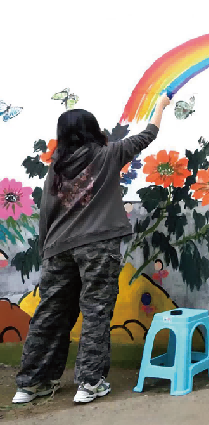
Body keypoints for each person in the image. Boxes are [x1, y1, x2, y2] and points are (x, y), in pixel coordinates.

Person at [13, 93, 172, 405]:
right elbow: (148, 135)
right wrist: (160, 106)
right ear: (92, 129)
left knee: (50, 314)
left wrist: (46, 249)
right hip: (98, 247)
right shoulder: (109, 153)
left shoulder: (57, 168)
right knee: (95, 312)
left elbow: (46, 211)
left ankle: (30, 385)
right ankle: (89, 383)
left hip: (58, 247)